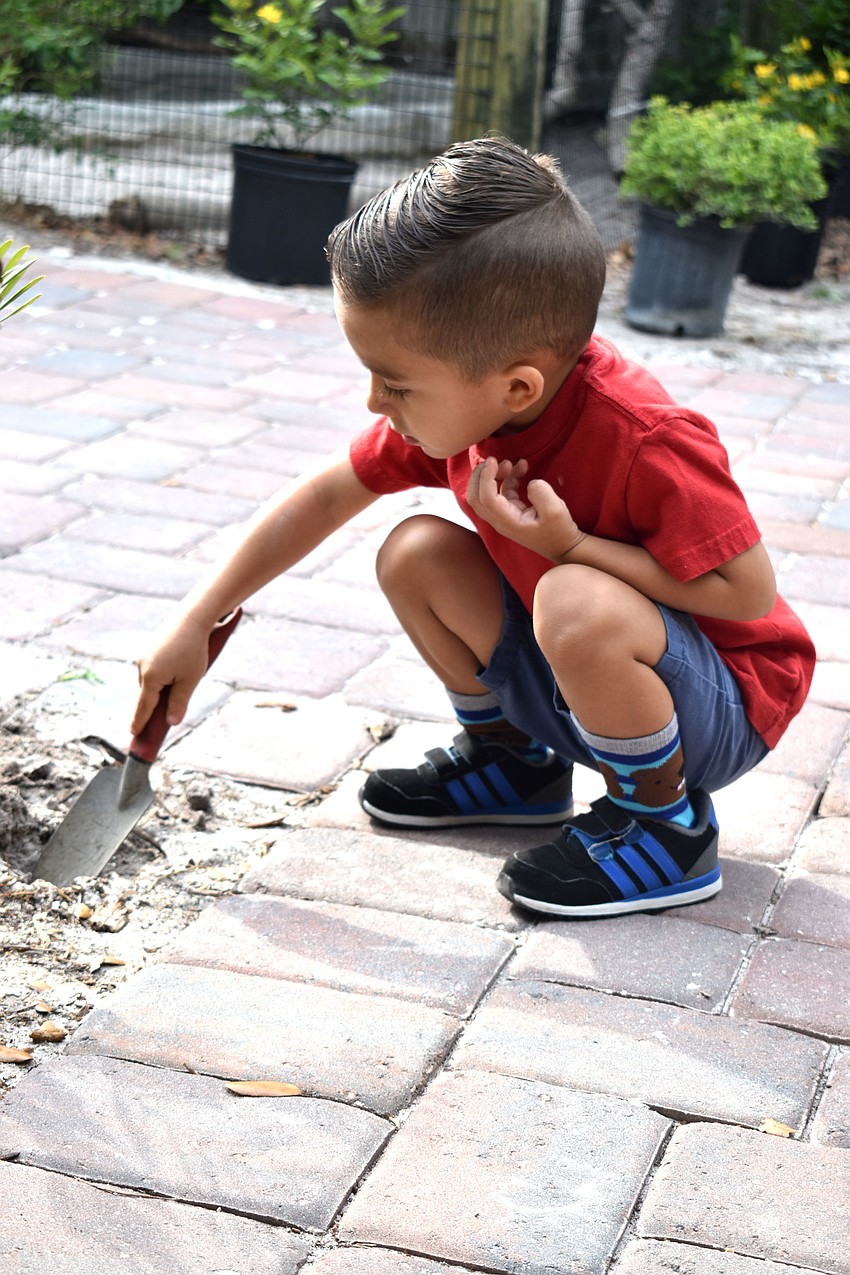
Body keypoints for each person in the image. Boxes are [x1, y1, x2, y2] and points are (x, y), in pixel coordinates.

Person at [132, 136, 815, 920]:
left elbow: (747, 593)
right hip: (583, 678)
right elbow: (325, 497)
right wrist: (196, 619)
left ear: (517, 384)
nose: (373, 404)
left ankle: (666, 825)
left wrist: (574, 549)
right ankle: (514, 765)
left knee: (572, 594)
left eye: (393, 383)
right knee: (415, 550)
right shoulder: (475, 410)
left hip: (724, 705)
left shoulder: (643, 436)